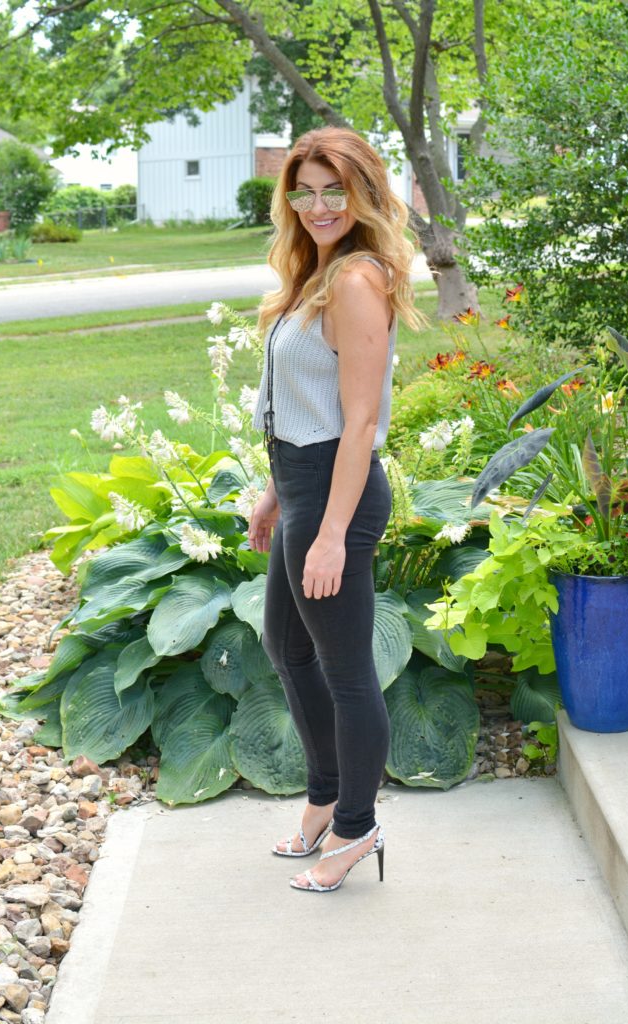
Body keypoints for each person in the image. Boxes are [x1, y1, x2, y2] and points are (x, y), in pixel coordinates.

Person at [248, 125, 427, 893]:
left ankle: (358, 827)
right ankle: (323, 795)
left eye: (335, 190)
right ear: (290, 197)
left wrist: (327, 534)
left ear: (362, 194)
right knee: (286, 648)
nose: (319, 205)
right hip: (302, 482)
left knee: (347, 672)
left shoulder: (355, 279)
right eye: (305, 190)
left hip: (335, 493)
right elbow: (301, 400)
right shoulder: (314, 273)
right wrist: (274, 496)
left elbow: (357, 422)